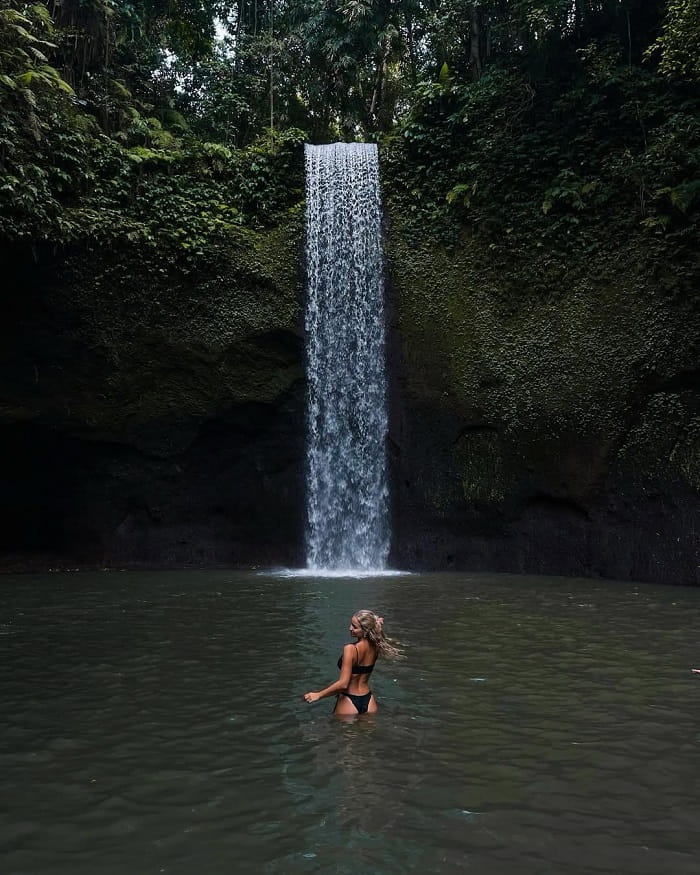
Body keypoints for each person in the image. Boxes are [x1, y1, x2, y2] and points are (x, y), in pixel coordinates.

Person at [303, 610, 403, 716]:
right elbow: (375, 631)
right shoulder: (376, 645)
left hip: (349, 701)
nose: (350, 628)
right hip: (369, 701)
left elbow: (343, 684)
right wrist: (376, 624)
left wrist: (318, 695)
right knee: (366, 732)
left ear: (365, 631)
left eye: (355, 627)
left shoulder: (350, 649)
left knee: (340, 731)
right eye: (351, 624)